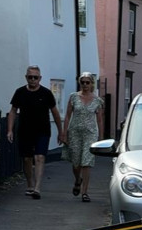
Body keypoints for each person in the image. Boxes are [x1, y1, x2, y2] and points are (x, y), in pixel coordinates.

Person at [6, 66, 63, 199]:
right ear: (26, 77)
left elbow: (55, 113)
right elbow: (13, 111)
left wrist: (61, 132)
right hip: (25, 130)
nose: (32, 80)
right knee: (27, 158)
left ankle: (37, 188)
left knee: (40, 157)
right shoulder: (20, 92)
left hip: (42, 130)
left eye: (35, 77)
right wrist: (9, 130)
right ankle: (30, 184)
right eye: (30, 77)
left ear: (40, 78)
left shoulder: (46, 93)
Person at [61, 72, 104, 202]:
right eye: (83, 82)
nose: (85, 85)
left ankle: (85, 192)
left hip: (90, 134)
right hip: (74, 132)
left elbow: (100, 120)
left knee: (87, 162)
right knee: (76, 163)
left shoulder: (97, 101)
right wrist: (64, 133)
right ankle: (77, 179)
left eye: (87, 82)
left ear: (92, 84)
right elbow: (68, 115)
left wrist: (101, 139)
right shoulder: (73, 97)